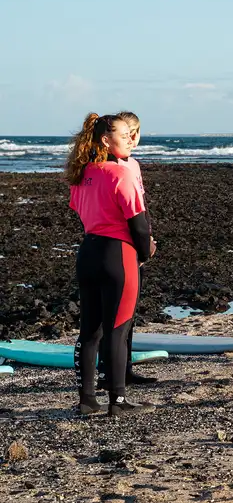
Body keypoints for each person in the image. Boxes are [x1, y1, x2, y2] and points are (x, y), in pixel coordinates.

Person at [66, 113, 156, 416]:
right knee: (118, 329)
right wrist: (145, 252)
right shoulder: (122, 174)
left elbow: (82, 214)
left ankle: (87, 399)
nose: (130, 139)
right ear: (106, 140)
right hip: (118, 254)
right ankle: (118, 401)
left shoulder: (81, 174)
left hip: (88, 253)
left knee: (89, 331)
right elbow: (139, 225)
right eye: (124, 135)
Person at [97, 111, 157, 389]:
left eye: (134, 134)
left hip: (135, 242)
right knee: (112, 316)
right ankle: (108, 373)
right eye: (128, 134)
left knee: (128, 313)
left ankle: (125, 369)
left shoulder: (133, 164)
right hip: (119, 245)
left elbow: (140, 206)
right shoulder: (113, 167)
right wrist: (140, 246)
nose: (133, 139)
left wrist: (147, 238)